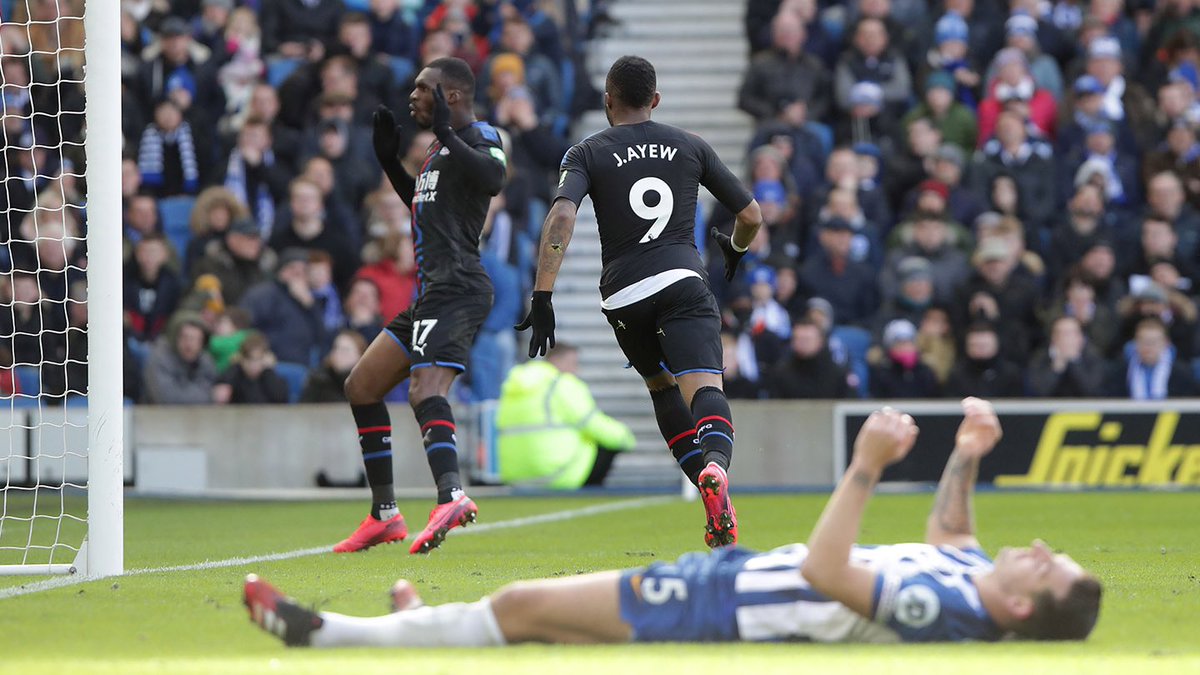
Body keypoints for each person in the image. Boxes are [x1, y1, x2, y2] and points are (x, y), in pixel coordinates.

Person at [244, 398, 1103, 647]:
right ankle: (415, 631)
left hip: (720, 611)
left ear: (1025, 608)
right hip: (726, 585)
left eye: (1045, 565)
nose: (1033, 549)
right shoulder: (972, 575)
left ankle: (328, 639)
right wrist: (969, 453)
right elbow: (953, 536)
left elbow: (830, 575)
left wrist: (866, 467)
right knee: (533, 621)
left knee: (522, 605)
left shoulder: (947, 615)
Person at [514, 56, 763, 548]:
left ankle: (714, 502)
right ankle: (716, 467)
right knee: (704, 385)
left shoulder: (585, 151)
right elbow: (751, 214)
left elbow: (562, 215)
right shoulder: (690, 144)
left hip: (624, 293)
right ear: (655, 100)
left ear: (607, 100)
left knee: (660, 386)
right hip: (681, 279)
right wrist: (733, 249)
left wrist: (543, 293)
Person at [333, 57, 506, 555]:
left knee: (424, 388)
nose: (412, 97)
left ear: (450, 96)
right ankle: (385, 514)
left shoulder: (480, 136)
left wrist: (450, 136)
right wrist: (390, 163)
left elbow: (493, 179)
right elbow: (424, 205)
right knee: (362, 386)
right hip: (432, 292)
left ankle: (450, 495)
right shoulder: (436, 150)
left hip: (460, 288)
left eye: (422, 89)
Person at [496, 343, 635, 490]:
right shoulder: (561, 384)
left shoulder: (513, 385)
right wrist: (626, 438)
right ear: (559, 361)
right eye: (573, 363)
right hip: (557, 475)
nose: (576, 370)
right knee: (607, 441)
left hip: (516, 478)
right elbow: (596, 425)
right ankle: (590, 497)